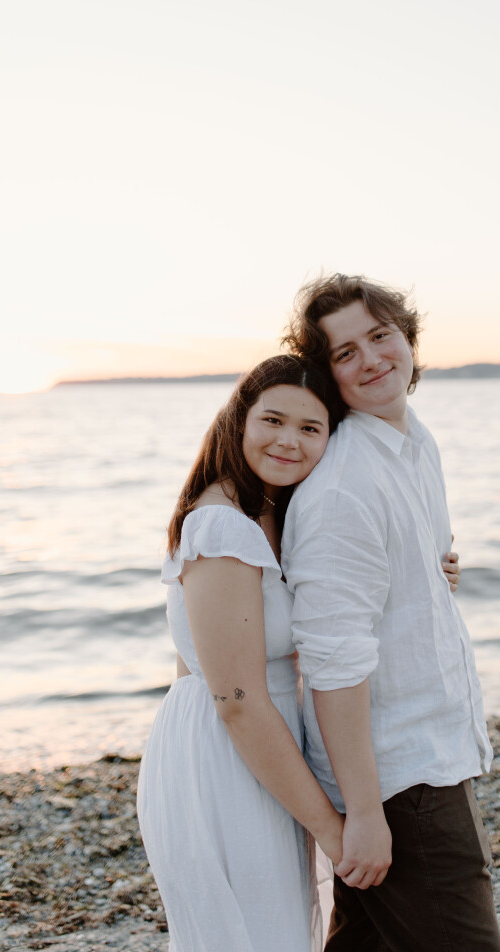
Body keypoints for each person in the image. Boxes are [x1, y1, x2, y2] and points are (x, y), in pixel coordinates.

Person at [281, 274, 500, 951]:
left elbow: (394, 581)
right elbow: (332, 663)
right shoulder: (343, 489)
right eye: (345, 353)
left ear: (407, 338)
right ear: (327, 374)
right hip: (397, 778)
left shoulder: (412, 442)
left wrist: (434, 574)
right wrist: (365, 812)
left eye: (380, 336)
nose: (372, 359)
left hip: (428, 749)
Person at [137, 355, 348, 952]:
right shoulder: (223, 524)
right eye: (273, 420)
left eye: (310, 428)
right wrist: (331, 831)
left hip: (258, 745)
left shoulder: (273, 511)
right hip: (226, 752)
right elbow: (236, 700)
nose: (288, 440)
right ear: (239, 419)